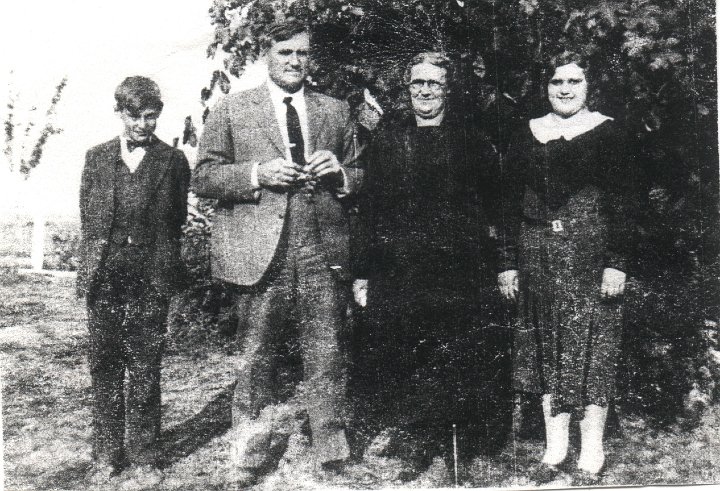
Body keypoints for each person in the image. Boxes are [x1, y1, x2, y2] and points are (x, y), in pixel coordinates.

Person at [193, 18, 362, 479]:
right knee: (256, 355)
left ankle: (331, 448)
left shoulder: (335, 109)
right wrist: (255, 174)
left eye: (302, 53)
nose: (294, 61)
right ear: (266, 55)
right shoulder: (232, 109)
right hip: (261, 249)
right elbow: (203, 176)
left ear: (311, 58)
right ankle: (248, 452)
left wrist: (341, 172)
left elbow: (361, 173)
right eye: (285, 52)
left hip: (320, 247)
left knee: (327, 351)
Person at [352, 52, 510, 481]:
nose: (424, 91)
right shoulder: (387, 139)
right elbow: (370, 209)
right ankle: (416, 444)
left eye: (434, 84)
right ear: (407, 89)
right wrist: (362, 271)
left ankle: (452, 448)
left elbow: (495, 205)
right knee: (406, 352)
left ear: (447, 89)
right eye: (417, 83)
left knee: (456, 354)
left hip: (459, 269)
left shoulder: (471, 140)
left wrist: (500, 262)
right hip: (401, 269)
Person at [497, 51, 638, 486]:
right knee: (545, 346)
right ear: (546, 86)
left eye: (574, 81)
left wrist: (618, 263)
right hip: (536, 249)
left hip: (590, 253)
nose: (564, 88)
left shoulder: (610, 133)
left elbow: (629, 205)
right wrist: (507, 263)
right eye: (557, 80)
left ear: (588, 86)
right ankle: (555, 446)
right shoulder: (527, 134)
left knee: (593, 348)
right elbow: (506, 203)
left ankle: (591, 448)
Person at [77, 76, 190, 488]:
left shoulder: (173, 161)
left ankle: (144, 455)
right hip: (104, 279)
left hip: (149, 280)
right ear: (119, 112)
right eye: (136, 116)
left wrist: (162, 271)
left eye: (152, 116)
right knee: (104, 366)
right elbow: (89, 219)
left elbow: (175, 222)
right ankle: (106, 454)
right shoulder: (96, 157)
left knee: (145, 366)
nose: (145, 124)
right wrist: (92, 268)